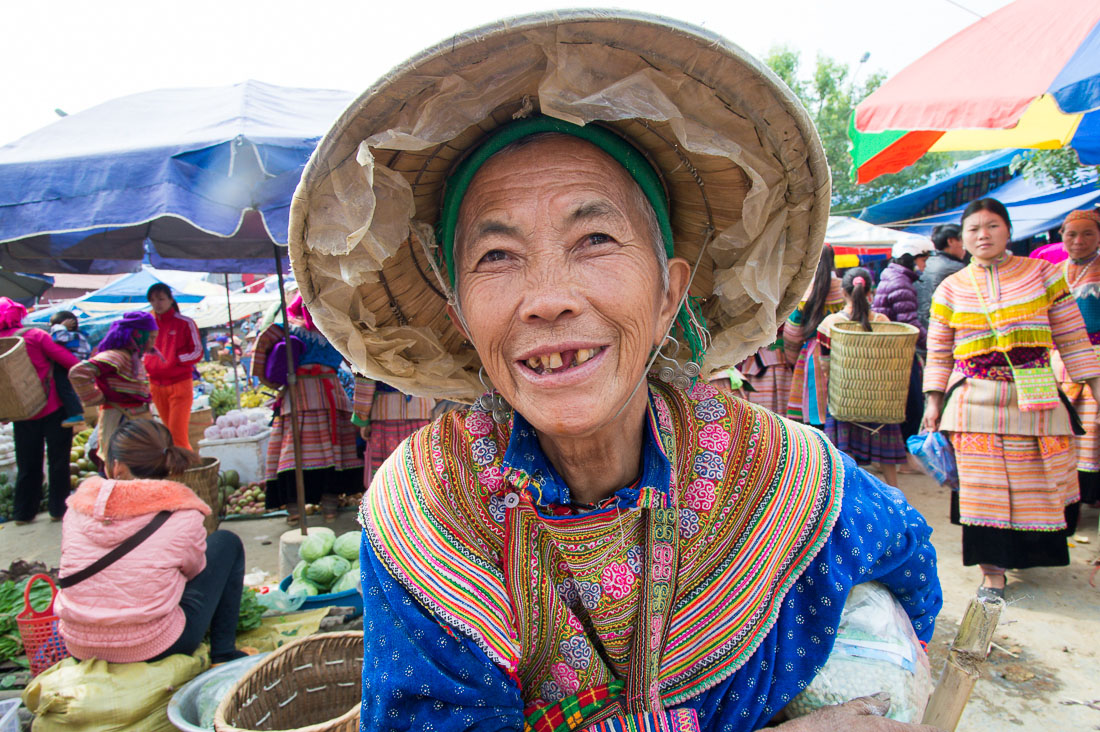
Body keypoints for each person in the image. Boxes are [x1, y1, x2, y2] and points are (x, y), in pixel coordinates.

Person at [289, 13, 941, 730]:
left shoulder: (774, 471)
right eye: (497, 256)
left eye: (594, 238)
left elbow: (907, 564)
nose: (547, 300)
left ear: (668, 295)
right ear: (460, 318)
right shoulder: (426, 511)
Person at [923, 198, 1100, 599]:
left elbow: (1072, 337)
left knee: (1038, 482)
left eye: (992, 227)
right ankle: (992, 572)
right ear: (962, 238)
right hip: (974, 401)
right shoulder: (950, 287)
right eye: (973, 229)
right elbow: (939, 350)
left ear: (1008, 230)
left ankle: (1024, 554)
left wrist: (1094, 388)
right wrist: (933, 402)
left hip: (1037, 396)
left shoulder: (1044, 274)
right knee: (983, 490)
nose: (982, 235)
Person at [55, 419, 248, 665]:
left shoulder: (76, 509)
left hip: (80, 645)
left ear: (116, 467)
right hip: (155, 645)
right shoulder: (184, 515)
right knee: (226, 543)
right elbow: (194, 571)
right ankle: (223, 652)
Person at [249, 294, 360, 523]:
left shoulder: (284, 328)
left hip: (298, 395)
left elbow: (259, 356)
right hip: (330, 393)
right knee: (332, 450)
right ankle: (329, 508)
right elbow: (356, 361)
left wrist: (272, 383)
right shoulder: (334, 330)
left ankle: (295, 510)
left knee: (294, 452)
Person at [821, 268, 906, 487]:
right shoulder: (883, 321)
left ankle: (848, 490)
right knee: (887, 458)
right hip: (881, 399)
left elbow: (825, 364)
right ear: (870, 291)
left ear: (843, 291)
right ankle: (895, 490)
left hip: (845, 398)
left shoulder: (831, 323)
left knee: (843, 455)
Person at [0, 298, 81, 524]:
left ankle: (23, 514)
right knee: (58, 461)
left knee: (27, 464)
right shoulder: (35, 336)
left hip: (21, 411)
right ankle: (58, 510)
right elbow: (69, 361)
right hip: (53, 406)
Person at [1053, 209, 1100, 508]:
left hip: (1096, 360)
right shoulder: (1053, 272)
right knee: (1064, 429)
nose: (1078, 241)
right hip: (1059, 362)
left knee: (1093, 431)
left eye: (1088, 234)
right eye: (1072, 234)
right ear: (1062, 236)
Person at [68, 311, 157, 464]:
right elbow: (79, 372)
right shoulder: (117, 356)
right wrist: (96, 397)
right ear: (138, 335)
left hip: (134, 418)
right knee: (121, 463)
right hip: (120, 419)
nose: (153, 343)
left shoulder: (132, 357)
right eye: (152, 337)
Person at [873, 237, 932, 441]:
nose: (924, 265)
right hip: (898, 352)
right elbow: (910, 323)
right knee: (911, 404)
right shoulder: (901, 283)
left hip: (889, 349)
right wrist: (934, 344)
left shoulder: (891, 276)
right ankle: (906, 456)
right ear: (913, 258)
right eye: (923, 259)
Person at [784, 244, 843, 425]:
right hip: (843, 357)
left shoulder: (805, 293)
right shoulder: (843, 290)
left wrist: (794, 359)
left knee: (812, 418)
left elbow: (792, 333)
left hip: (812, 357)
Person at [144, 283, 203, 450]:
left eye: (161, 299)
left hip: (180, 384)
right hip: (156, 385)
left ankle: (186, 469)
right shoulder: (148, 323)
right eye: (153, 300)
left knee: (177, 435)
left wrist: (174, 360)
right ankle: (182, 468)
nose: (158, 303)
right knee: (168, 434)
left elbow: (197, 352)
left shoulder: (185, 323)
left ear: (170, 300)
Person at [352, 377, 436, 489]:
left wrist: (362, 418)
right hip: (421, 412)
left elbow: (365, 380)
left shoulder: (379, 358)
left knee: (389, 474)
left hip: (386, 414)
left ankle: (391, 503)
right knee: (420, 468)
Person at [915, 224, 966, 332]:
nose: (964, 246)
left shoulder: (929, 262)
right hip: (942, 328)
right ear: (951, 241)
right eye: (962, 240)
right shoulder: (956, 268)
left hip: (923, 326)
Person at [48, 311, 90, 427]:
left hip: (66, 366)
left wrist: (60, 327)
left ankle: (76, 414)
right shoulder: (80, 335)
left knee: (64, 388)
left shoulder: (70, 335)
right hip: (76, 366)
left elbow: (57, 339)